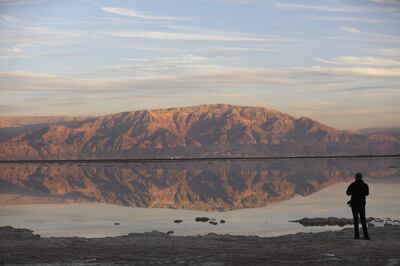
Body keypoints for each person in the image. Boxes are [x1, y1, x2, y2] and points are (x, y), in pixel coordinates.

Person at [346, 172, 370, 240]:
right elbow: (367, 193)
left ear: (355, 177)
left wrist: (354, 192)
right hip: (362, 204)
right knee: (363, 220)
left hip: (354, 205)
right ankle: (366, 236)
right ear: (361, 177)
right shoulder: (365, 185)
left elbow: (347, 193)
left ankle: (357, 236)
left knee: (356, 220)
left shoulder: (352, 185)